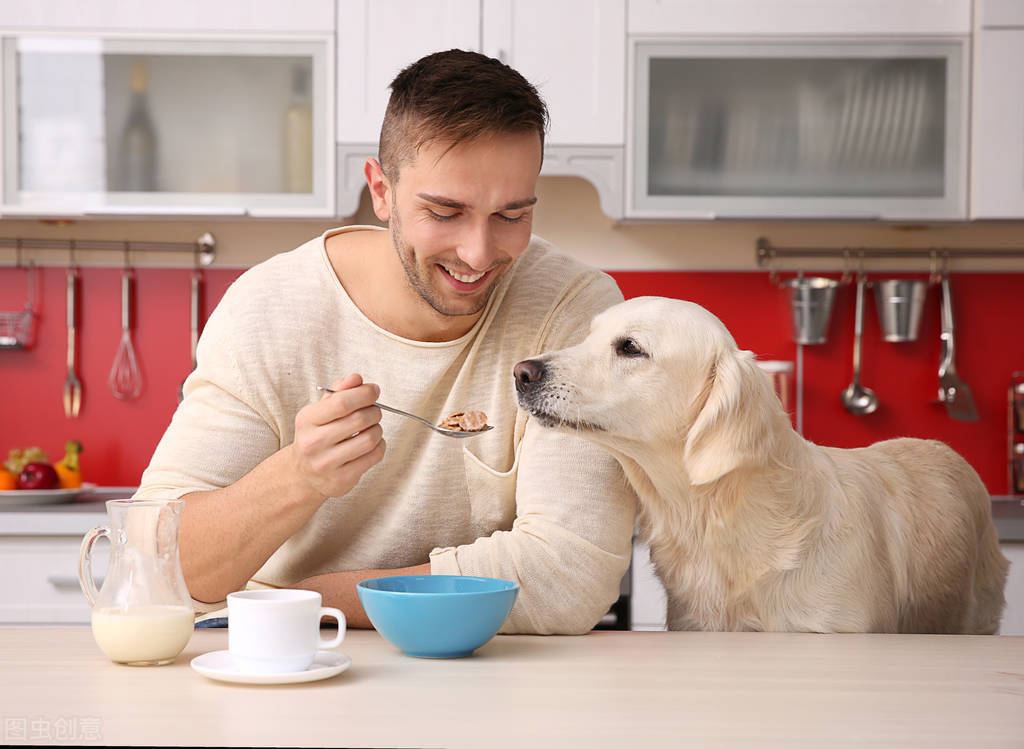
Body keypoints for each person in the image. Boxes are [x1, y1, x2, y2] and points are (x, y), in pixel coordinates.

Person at [135, 49, 637, 634]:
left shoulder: (575, 312)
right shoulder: (270, 310)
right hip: (290, 667)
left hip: (489, 679)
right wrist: (299, 477)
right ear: (381, 190)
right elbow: (153, 564)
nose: (479, 253)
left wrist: (299, 602)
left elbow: (567, 574)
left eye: (511, 215)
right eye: (445, 211)